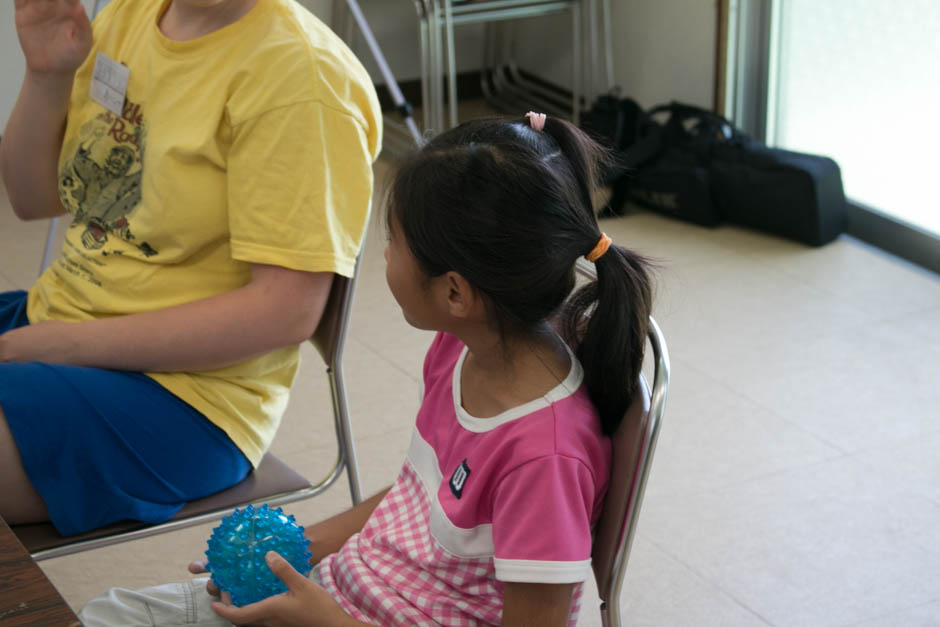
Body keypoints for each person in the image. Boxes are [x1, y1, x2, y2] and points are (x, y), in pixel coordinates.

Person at [78, 112, 654, 626]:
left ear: (455, 292)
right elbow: (419, 502)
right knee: (105, 614)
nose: (383, 255)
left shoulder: (543, 459)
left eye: (394, 240)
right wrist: (300, 549)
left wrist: (323, 618)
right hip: (341, 594)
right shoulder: (465, 349)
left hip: (336, 615)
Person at [0, 0, 382, 536]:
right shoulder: (129, 15)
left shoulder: (300, 76)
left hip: (186, 400)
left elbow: (285, 312)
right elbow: (33, 197)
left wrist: (59, 345)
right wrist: (46, 76)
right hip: (59, 325)